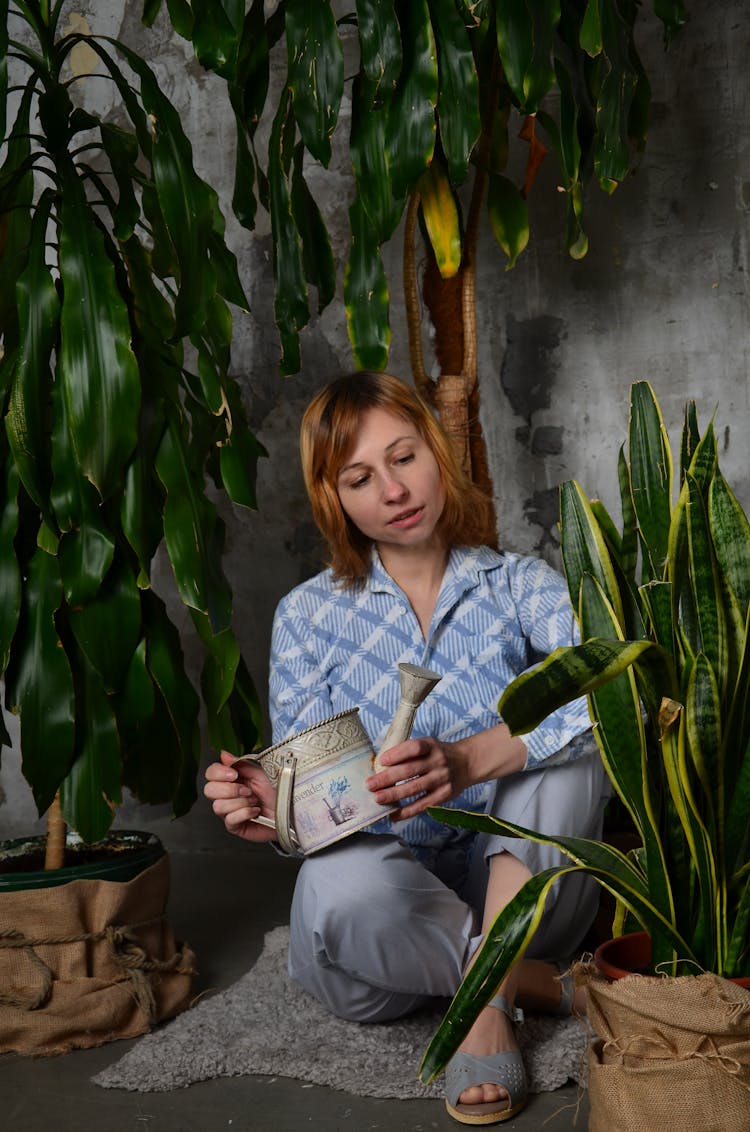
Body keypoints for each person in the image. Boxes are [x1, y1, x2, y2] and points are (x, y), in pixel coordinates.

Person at [204, 371, 610, 1126]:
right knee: (332, 889)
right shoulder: (306, 616)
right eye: (360, 477)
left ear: (438, 452)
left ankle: (483, 1000)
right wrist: (279, 814)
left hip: (524, 899)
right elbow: (318, 817)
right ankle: (533, 987)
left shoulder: (522, 586)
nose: (393, 490)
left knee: (576, 748)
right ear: (337, 501)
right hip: (377, 943)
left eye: (404, 457)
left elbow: (609, 701)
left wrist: (471, 759)